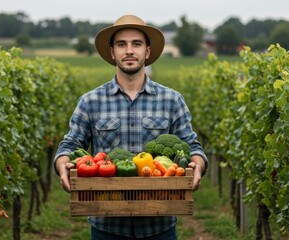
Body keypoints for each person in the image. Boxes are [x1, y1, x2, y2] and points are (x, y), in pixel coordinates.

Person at [54, 14, 208, 240]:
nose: (129, 50)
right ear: (111, 52)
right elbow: (69, 146)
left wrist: (196, 167)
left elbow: (193, 147)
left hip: (160, 225)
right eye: (121, 44)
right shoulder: (90, 101)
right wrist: (63, 167)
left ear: (147, 51)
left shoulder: (172, 100)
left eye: (136, 43)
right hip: (107, 225)